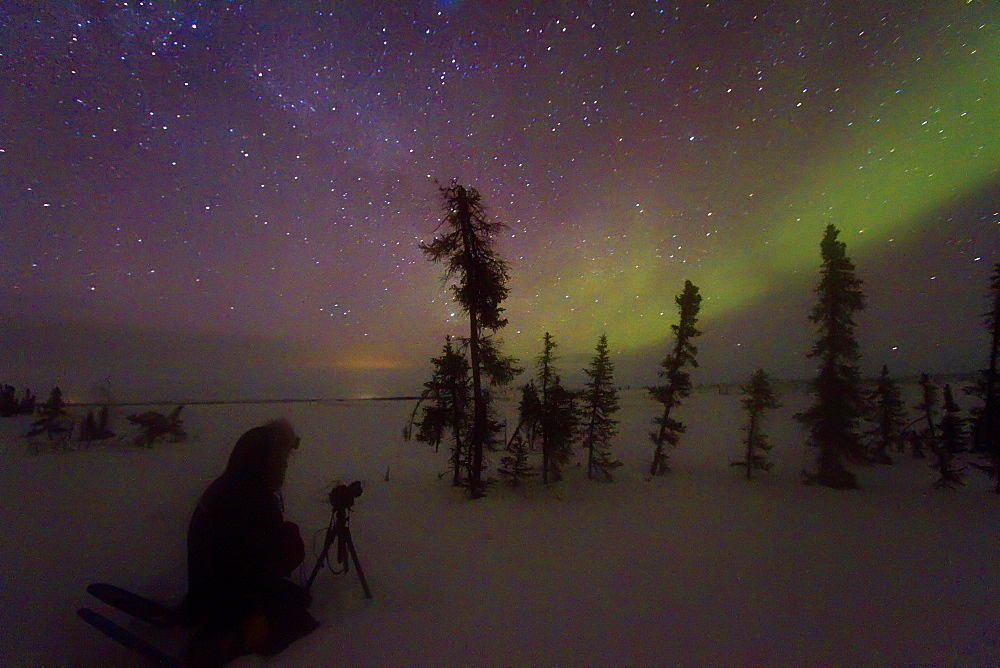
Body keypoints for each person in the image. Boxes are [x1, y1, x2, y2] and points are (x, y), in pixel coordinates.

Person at [183, 418, 319, 665]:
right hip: (226, 600)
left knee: (298, 598)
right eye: (283, 459)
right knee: (301, 622)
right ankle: (232, 641)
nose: (286, 466)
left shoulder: (229, 486)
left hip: (206, 590)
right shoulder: (252, 500)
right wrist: (288, 544)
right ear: (269, 461)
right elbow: (260, 568)